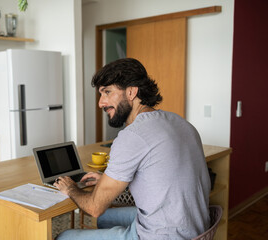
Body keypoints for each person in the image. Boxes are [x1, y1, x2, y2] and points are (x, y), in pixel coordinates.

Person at [54, 58, 211, 240]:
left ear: (131, 92)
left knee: (65, 236)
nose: (101, 103)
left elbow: (94, 208)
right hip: (196, 228)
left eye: (107, 92)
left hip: (164, 235)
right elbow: (159, 177)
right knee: (105, 219)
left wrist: (71, 188)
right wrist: (109, 179)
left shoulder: (132, 136)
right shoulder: (180, 122)